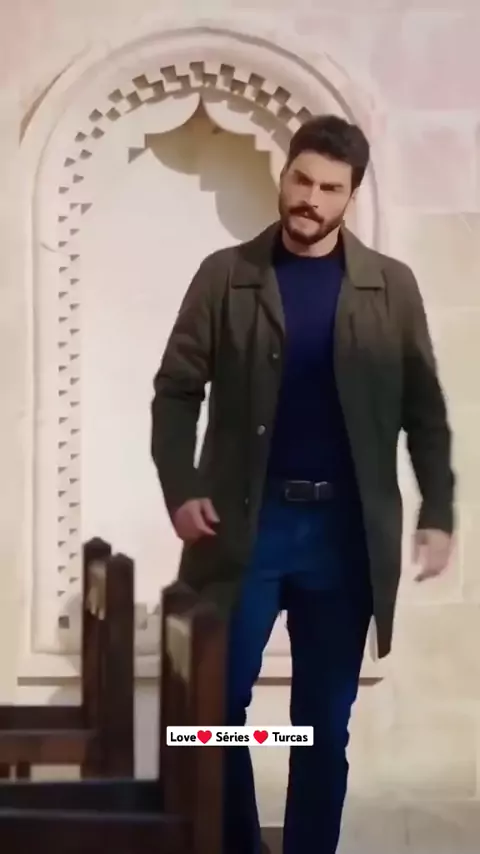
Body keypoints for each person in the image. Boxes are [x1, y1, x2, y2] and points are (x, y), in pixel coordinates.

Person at [150, 114, 455, 854]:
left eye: (329, 189)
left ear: (350, 196)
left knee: (322, 724)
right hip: (244, 529)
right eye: (302, 180)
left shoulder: (390, 286)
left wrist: (438, 510)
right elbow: (176, 390)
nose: (310, 199)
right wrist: (181, 486)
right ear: (284, 175)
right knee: (214, 711)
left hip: (342, 539)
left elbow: (424, 407)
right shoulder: (226, 276)